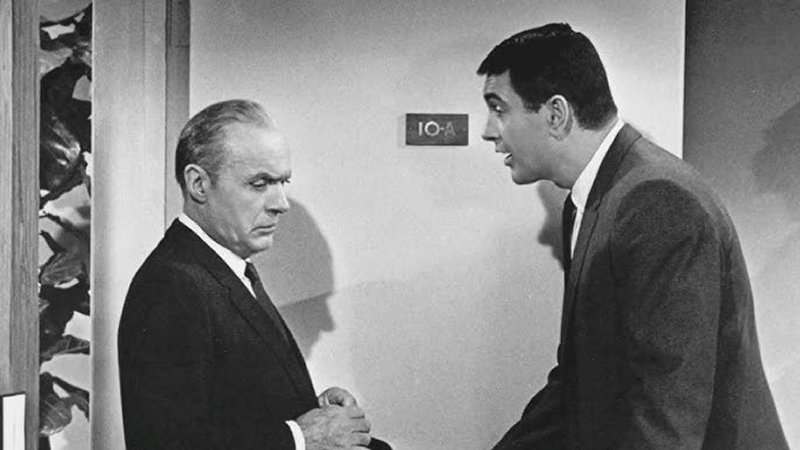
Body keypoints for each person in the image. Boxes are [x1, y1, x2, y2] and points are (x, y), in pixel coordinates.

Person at [478, 23, 788, 449]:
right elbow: (577, 384)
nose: (489, 131)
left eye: (499, 109)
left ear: (556, 114)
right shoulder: (590, 200)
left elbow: (668, 413)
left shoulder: (657, 201)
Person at [118, 99, 390, 450]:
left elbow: (228, 408)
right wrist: (301, 437)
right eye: (260, 183)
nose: (281, 203)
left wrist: (311, 412)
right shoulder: (170, 285)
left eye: (283, 182)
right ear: (199, 184)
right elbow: (166, 443)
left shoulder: (221, 268)